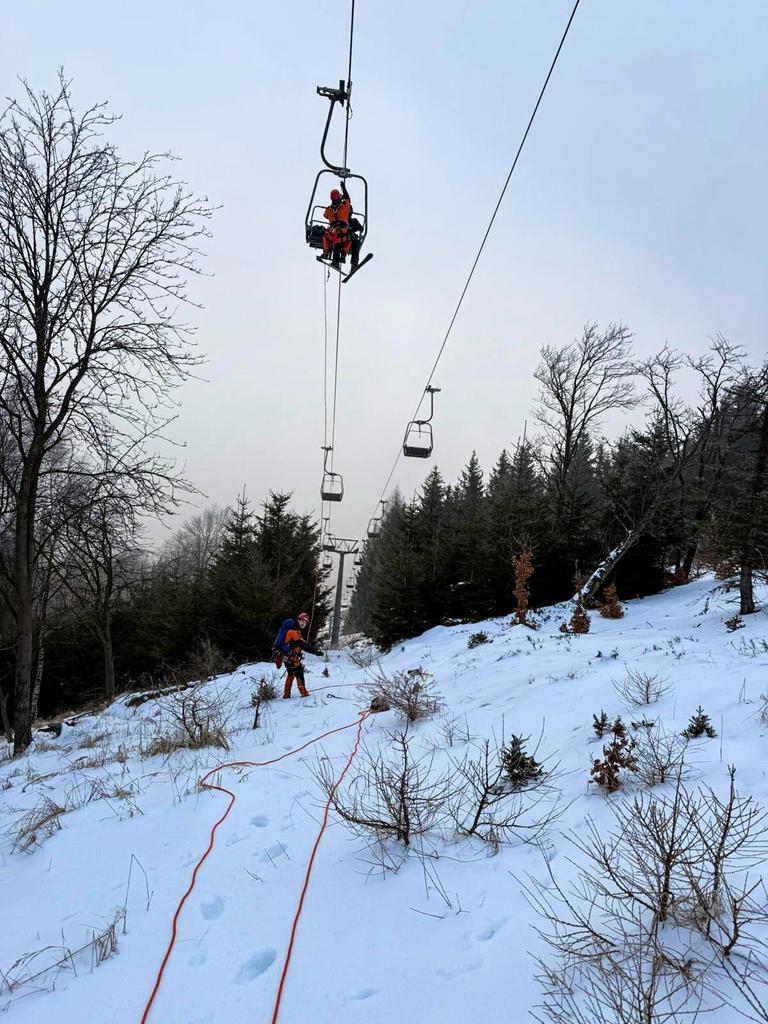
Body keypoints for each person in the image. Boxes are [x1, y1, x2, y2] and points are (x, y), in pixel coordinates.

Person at [277, 611, 320, 699]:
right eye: (302, 621)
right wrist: (315, 651)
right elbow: (301, 644)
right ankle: (303, 693)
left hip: (289, 658)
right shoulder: (293, 632)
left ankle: (286, 694)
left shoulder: (297, 631)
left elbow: (302, 642)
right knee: (299, 673)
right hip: (291, 658)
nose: (304, 623)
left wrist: (312, 648)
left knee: (291, 675)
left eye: (305, 622)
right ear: (298, 620)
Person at [322, 182, 356, 268]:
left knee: (326, 235)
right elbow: (348, 199)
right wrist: (343, 188)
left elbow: (325, 215)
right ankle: (343, 256)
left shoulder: (329, 210)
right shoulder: (344, 207)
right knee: (350, 239)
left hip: (332, 234)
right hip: (343, 234)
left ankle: (326, 252)